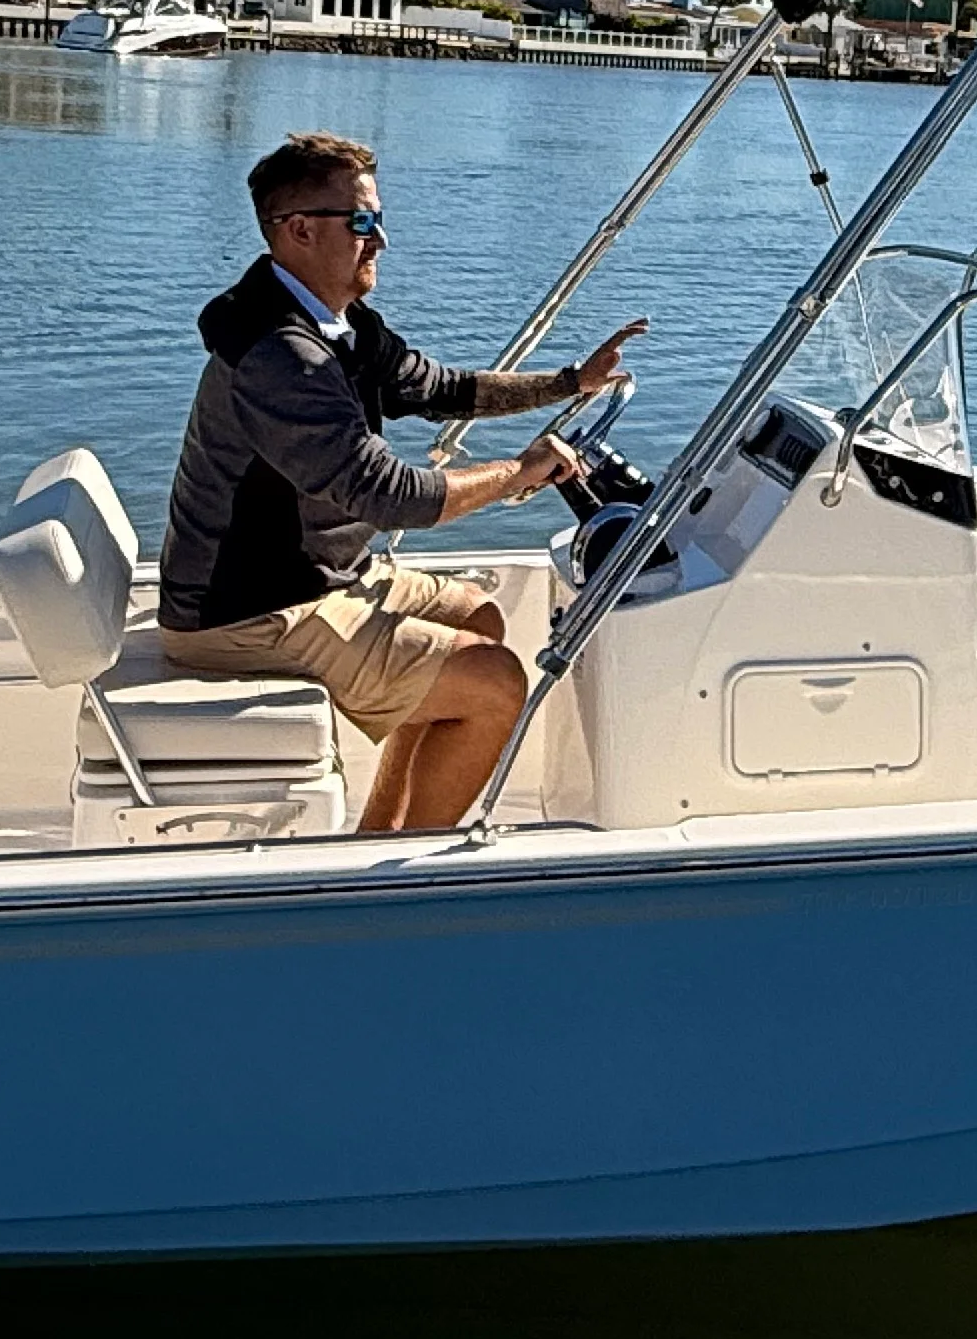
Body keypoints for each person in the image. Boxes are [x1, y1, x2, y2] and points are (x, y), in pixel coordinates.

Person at [158, 130, 645, 833]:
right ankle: (395, 871)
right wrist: (519, 472)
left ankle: (378, 834)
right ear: (299, 230)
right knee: (495, 683)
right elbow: (391, 496)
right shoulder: (283, 358)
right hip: (251, 612)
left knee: (478, 616)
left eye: (378, 218)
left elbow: (442, 388)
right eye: (361, 221)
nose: (380, 238)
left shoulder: (336, 325)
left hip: (312, 578)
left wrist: (571, 382)